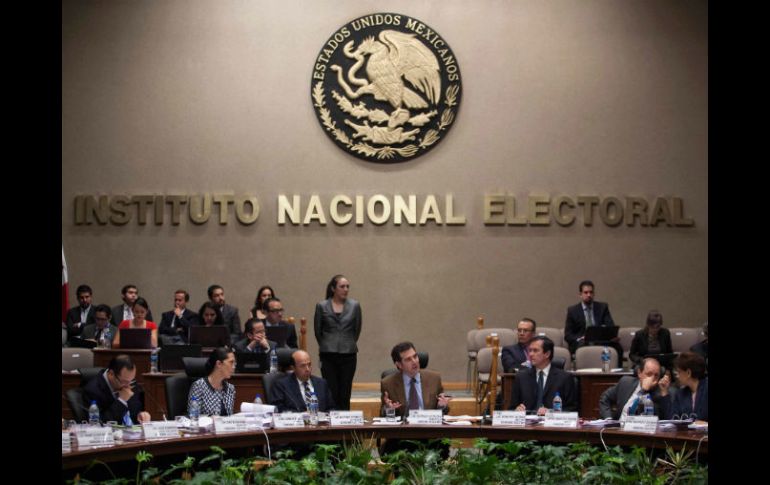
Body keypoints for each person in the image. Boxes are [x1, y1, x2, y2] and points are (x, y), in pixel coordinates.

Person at [314, 274, 362, 410]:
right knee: (331, 391)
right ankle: (332, 419)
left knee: (345, 391)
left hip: (348, 354)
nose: (346, 289)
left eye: (347, 286)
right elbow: (318, 331)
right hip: (328, 354)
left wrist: (347, 342)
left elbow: (357, 330)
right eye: (342, 286)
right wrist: (327, 344)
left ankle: (345, 419)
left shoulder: (355, 306)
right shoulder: (322, 306)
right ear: (333, 288)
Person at [509, 336, 577, 415]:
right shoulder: (521, 377)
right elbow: (512, 408)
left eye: (535, 350)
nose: (530, 354)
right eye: (530, 350)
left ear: (547, 354)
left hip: (552, 422)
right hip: (527, 421)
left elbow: (572, 409)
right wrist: (516, 410)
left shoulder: (564, 378)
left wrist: (551, 413)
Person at [381, 341, 451, 417]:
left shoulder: (434, 378)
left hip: (428, 423)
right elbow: (382, 414)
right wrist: (389, 409)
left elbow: (443, 411)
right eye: (408, 359)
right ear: (399, 365)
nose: (414, 361)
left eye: (415, 356)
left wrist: (442, 406)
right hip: (404, 424)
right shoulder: (388, 384)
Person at [83, 354, 151, 424]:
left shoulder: (130, 382)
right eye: (124, 382)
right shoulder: (92, 390)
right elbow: (100, 422)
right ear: (111, 374)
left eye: (131, 380)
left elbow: (134, 410)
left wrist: (140, 415)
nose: (128, 385)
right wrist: (121, 401)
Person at [563, 280, 622, 359]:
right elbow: (568, 335)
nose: (589, 295)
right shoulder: (572, 311)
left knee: (618, 347)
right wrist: (579, 338)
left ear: (594, 294)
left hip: (600, 341)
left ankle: (613, 367)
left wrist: (612, 336)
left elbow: (610, 326)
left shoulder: (602, 307)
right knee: (582, 346)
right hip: (582, 342)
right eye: (586, 292)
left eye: (591, 292)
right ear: (580, 294)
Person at [599, 357, 670, 420]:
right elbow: (605, 398)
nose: (653, 379)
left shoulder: (660, 393)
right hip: (618, 428)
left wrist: (644, 391)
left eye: (656, 375)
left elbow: (665, 419)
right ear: (639, 373)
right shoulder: (625, 383)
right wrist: (608, 419)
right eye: (649, 374)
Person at [268, 350, 335, 413]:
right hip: (296, 421)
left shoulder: (322, 383)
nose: (307, 369)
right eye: (303, 366)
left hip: (321, 421)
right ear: (293, 368)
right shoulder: (281, 386)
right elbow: (279, 409)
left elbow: (331, 408)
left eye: (309, 364)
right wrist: (301, 415)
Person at [659, 351, 708, 421]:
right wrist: (664, 392)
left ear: (688, 373)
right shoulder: (680, 394)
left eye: (679, 372)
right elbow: (672, 419)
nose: (677, 376)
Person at [187, 347, 236, 416]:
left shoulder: (230, 388)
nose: (234, 367)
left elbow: (229, 416)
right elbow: (193, 416)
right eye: (231, 362)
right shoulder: (199, 386)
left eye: (234, 363)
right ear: (219, 364)